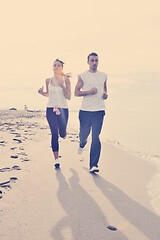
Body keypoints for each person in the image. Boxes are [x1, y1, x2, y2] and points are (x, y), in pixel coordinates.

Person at [74, 52, 108, 173]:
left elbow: (105, 91)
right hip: (85, 111)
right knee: (84, 135)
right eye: (92, 60)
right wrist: (89, 91)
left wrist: (105, 95)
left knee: (96, 137)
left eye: (96, 60)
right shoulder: (82, 75)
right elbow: (76, 92)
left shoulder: (104, 75)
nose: (94, 63)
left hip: (99, 111)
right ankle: (82, 143)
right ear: (88, 62)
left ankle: (94, 165)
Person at [38, 59, 71, 168]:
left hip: (63, 109)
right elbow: (48, 94)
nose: (56, 67)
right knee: (54, 134)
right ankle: (56, 159)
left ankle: (64, 132)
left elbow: (69, 96)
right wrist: (42, 93)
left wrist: (62, 86)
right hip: (50, 109)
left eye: (59, 65)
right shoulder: (48, 80)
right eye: (54, 65)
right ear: (52, 67)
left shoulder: (66, 80)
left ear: (62, 68)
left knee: (61, 134)